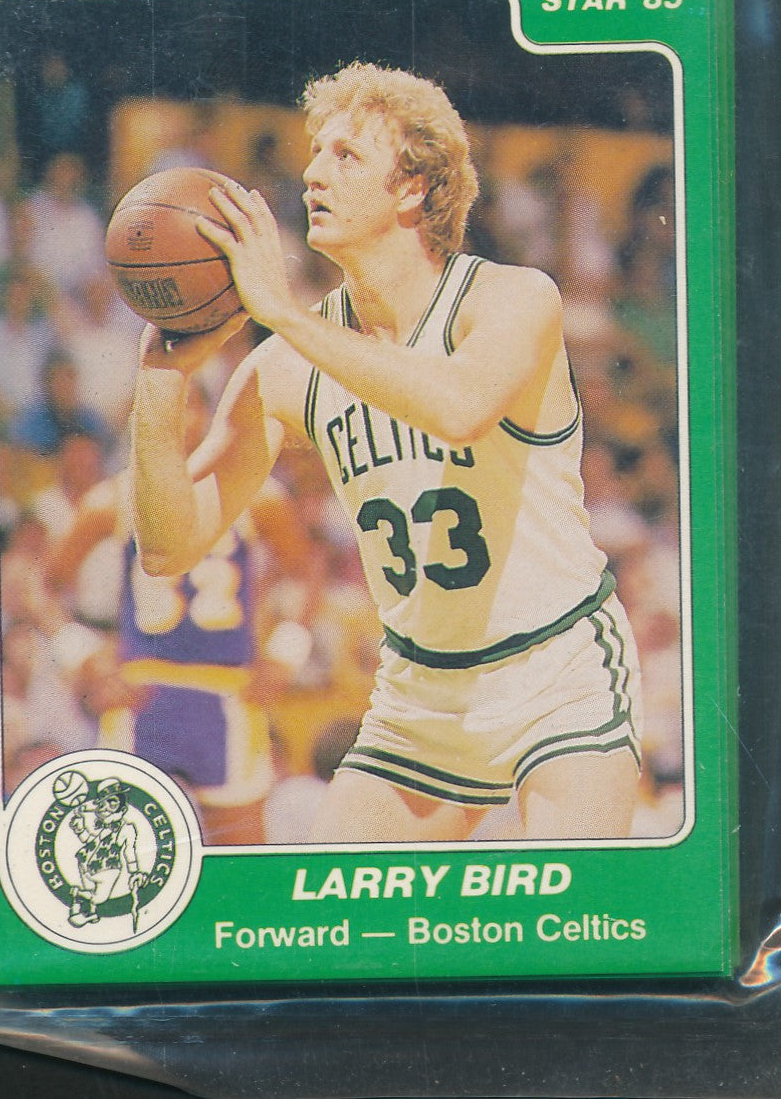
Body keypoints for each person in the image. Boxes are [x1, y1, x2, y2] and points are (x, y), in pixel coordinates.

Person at [130, 61, 643, 843]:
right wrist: (160, 379)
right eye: (315, 151)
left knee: (569, 901)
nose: (313, 172)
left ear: (412, 189)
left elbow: (459, 408)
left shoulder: (511, 299)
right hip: (419, 695)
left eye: (346, 155)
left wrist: (285, 314)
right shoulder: (287, 364)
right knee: (333, 906)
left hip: (557, 669)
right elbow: (169, 545)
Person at [50, 380, 311, 845]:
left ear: (208, 417)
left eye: (187, 406)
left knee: (241, 853)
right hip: (143, 694)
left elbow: (308, 571)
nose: (174, 420)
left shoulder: (257, 494)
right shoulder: (113, 498)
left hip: (227, 692)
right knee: (122, 851)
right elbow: (44, 583)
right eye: (160, 409)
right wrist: (85, 657)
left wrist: (287, 651)